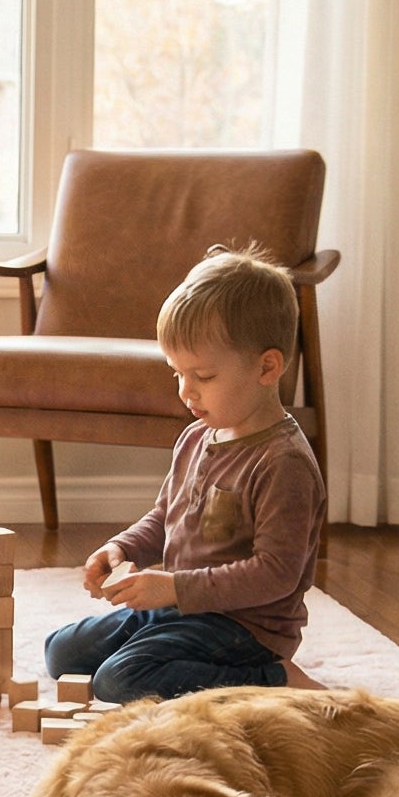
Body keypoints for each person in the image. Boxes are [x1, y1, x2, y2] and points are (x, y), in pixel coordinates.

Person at [47, 248, 327, 703]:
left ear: (267, 367)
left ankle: (273, 679)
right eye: (176, 372)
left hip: (242, 626)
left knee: (118, 681)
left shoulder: (283, 462)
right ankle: (176, 649)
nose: (185, 390)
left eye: (204, 375)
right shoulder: (198, 437)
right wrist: (121, 547)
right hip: (181, 604)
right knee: (62, 652)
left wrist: (173, 587)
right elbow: (165, 517)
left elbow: (276, 574)